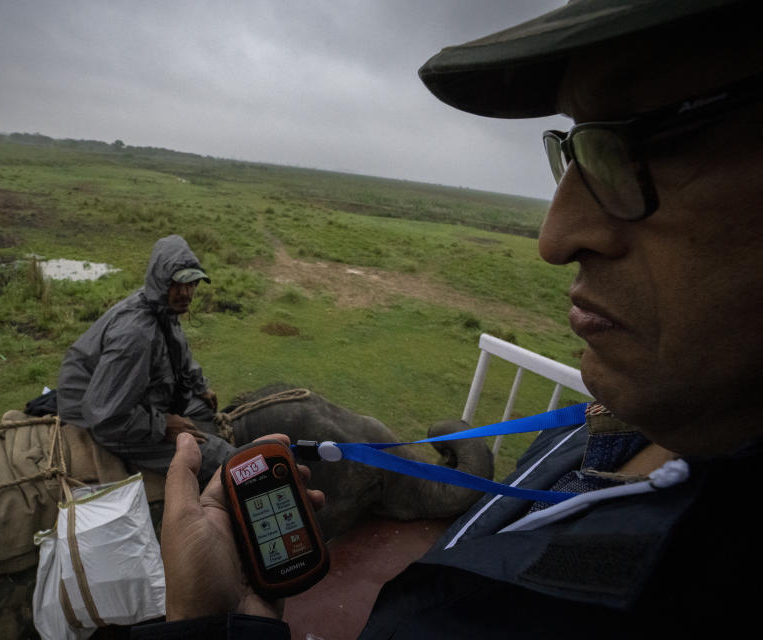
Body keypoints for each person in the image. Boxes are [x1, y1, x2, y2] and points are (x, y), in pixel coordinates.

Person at [135, 0, 763, 637]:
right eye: (574, 148)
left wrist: (203, 624)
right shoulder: (609, 420)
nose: (554, 237)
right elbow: (117, 412)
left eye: (634, 151)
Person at [57, 234, 235, 483]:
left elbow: (177, 352)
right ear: (161, 282)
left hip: (123, 394)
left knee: (202, 409)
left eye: (192, 283)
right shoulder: (136, 336)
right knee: (221, 458)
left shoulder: (163, 307)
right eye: (177, 283)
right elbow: (107, 417)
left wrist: (199, 385)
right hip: (104, 415)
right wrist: (163, 426)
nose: (186, 292)